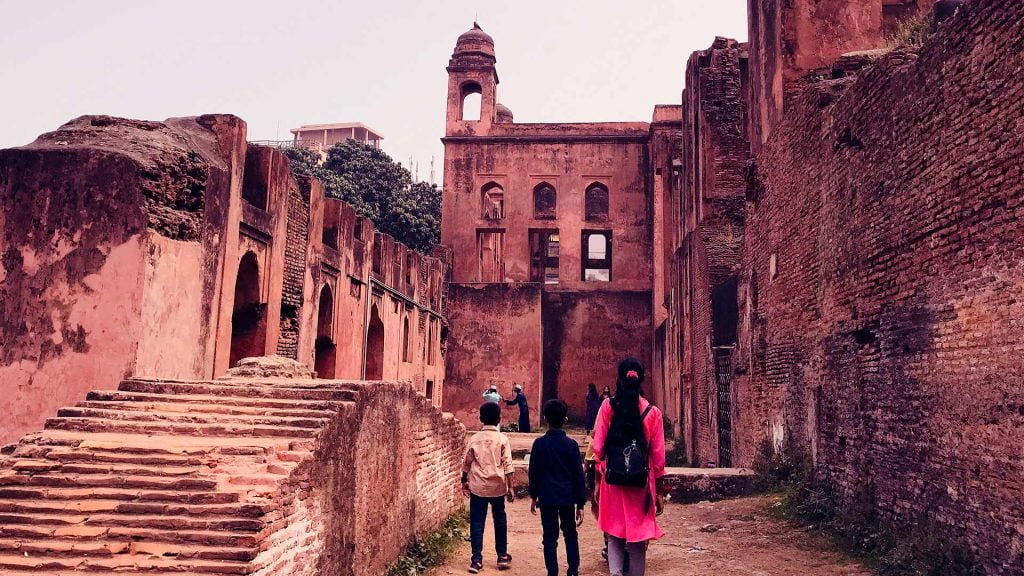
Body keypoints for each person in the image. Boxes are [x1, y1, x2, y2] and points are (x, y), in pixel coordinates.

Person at [592, 358, 667, 576]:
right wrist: (660, 492)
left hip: (612, 481)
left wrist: (597, 482)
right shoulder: (653, 413)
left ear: (619, 379)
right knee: (637, 540)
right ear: (641, 379)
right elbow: (658, 458)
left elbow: (598, 448)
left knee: (614, 534)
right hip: (641, 483)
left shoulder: (608, 407)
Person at [529, 399, 587, 576]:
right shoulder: (571, 445)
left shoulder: (539, 444)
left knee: (549, 537)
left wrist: (534, 495)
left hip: (547, 496)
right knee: (570, 533)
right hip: (567, 497)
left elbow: (534, 472)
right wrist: (581, 503)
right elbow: (578, 475)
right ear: (565, 419)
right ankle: (573, 571)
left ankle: (552, 572)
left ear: (545, 418)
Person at [462, 402, 516, 573]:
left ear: (481, 418)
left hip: (478, 486)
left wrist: (464, 480)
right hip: (497, 487)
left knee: (477, 522)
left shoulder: (474, 438)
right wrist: (511, 487)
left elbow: (466, 463)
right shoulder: (502, 439)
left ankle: (476, 560)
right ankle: (502, 556)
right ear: (500, 419)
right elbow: (508, 464)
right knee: (500, 519)